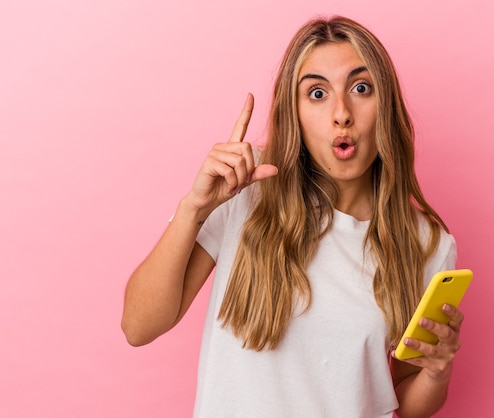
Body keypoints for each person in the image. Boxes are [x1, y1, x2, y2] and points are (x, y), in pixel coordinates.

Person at [122, 15, 464, 418]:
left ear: (385, 104)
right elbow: (138, 326)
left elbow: (406, 400)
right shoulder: (246, 191)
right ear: (295, 114)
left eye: (360, 88)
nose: (342, 113)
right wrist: (193, 208)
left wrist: (438, 375)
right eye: (317, 93)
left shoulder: (427, 245)